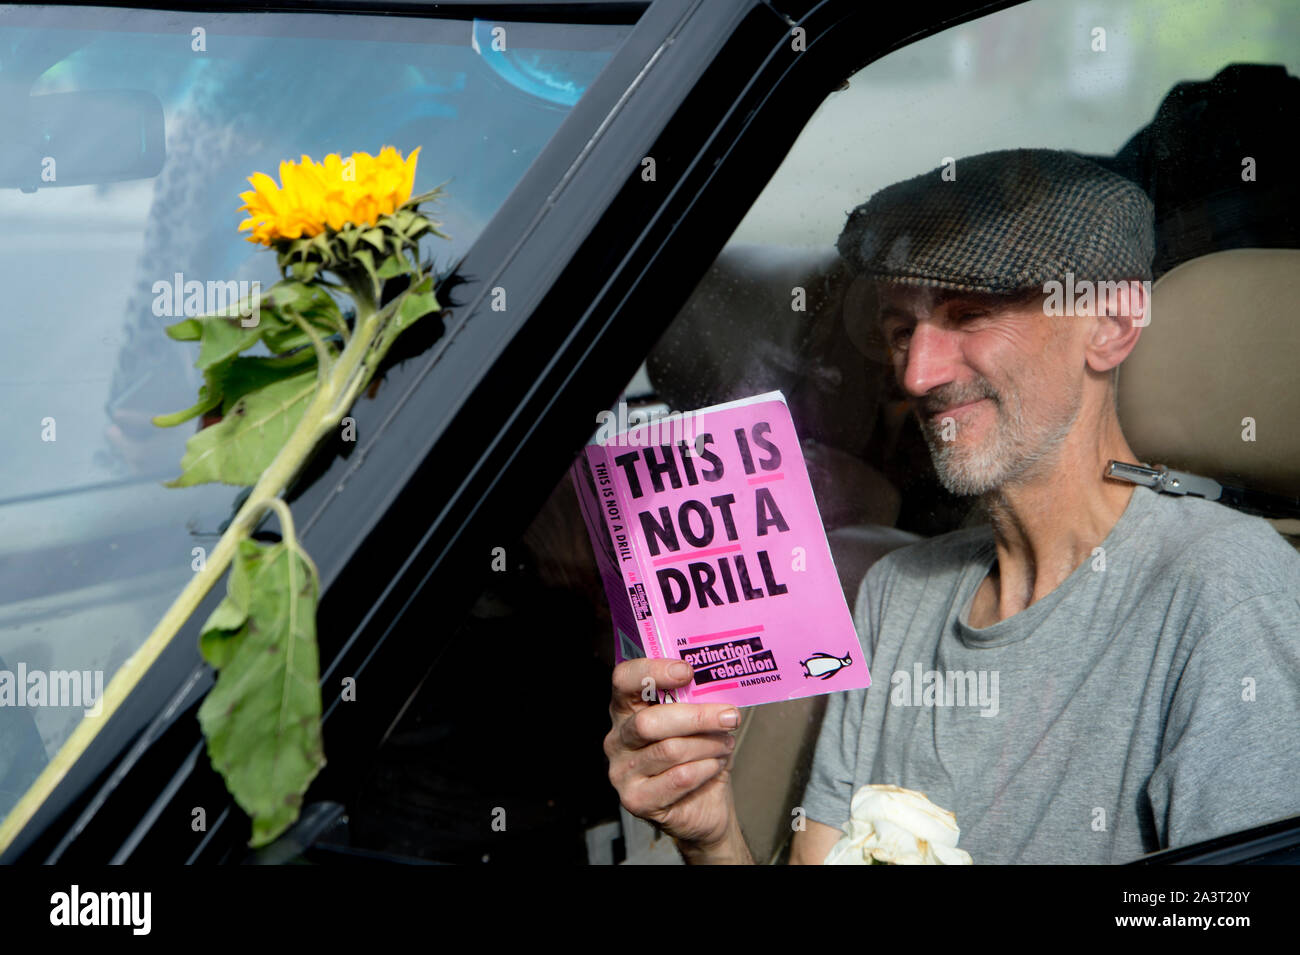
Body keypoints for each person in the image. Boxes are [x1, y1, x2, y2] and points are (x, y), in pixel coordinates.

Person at [603, 149, 1300, 864]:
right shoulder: (894, 595)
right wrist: (709, 833)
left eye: (970, 314)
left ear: (1112, 323)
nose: (917, 372)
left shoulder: (1226, 588)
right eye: (902, 329)